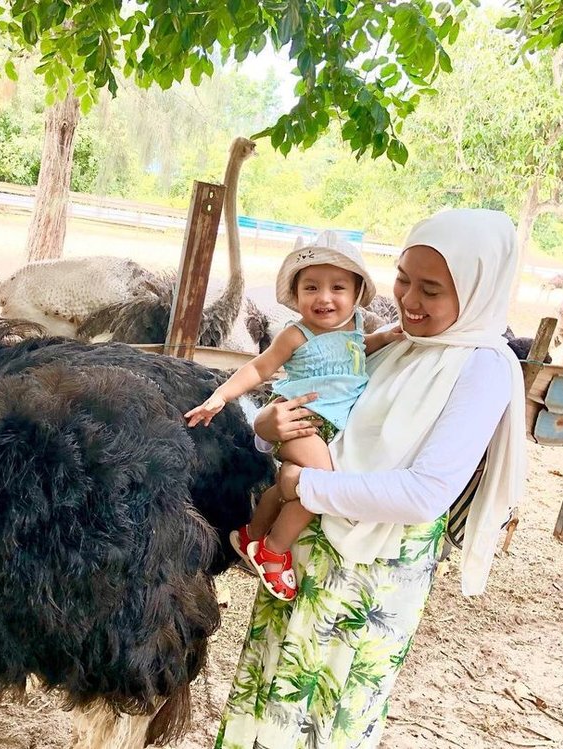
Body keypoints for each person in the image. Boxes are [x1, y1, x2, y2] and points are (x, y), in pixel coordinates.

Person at [214, 208, 526, 749]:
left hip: (369, 574)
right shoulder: (395, 341)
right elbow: (327, 419)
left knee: (325, 718)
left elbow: (424, 493)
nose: (408, 300)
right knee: (272, 699)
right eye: (404, 278)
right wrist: (268, 427)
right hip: (302, 556)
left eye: (431, 290)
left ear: (478, 290)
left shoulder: (481, 366)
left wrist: (297, 488)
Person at [185, 231, 402, 601]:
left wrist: (382, 338)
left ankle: (252, 532)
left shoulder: (357, 324)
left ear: (356, 292)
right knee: (321, 487)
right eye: (312, 287)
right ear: (297, 294)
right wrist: (220, 396)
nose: (324, 298)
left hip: (331, 426)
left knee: (291, 491)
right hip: (301, 419)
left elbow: (355, 350)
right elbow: (258, 368)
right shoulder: (294, 335)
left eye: (337, 287)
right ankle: (273, 549)